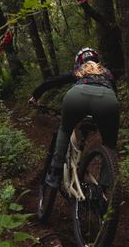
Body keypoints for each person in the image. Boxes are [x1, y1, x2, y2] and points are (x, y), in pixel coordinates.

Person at [30, 47, 119, 188]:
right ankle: (105, 186)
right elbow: (113, 92)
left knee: (65, 129)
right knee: (110, 144)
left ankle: (55, 171)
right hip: (107, 100)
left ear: (79, 61)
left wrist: (36, 95)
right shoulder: (107, 73)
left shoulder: (79, 71)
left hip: (77, 96)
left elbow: (53, 81)